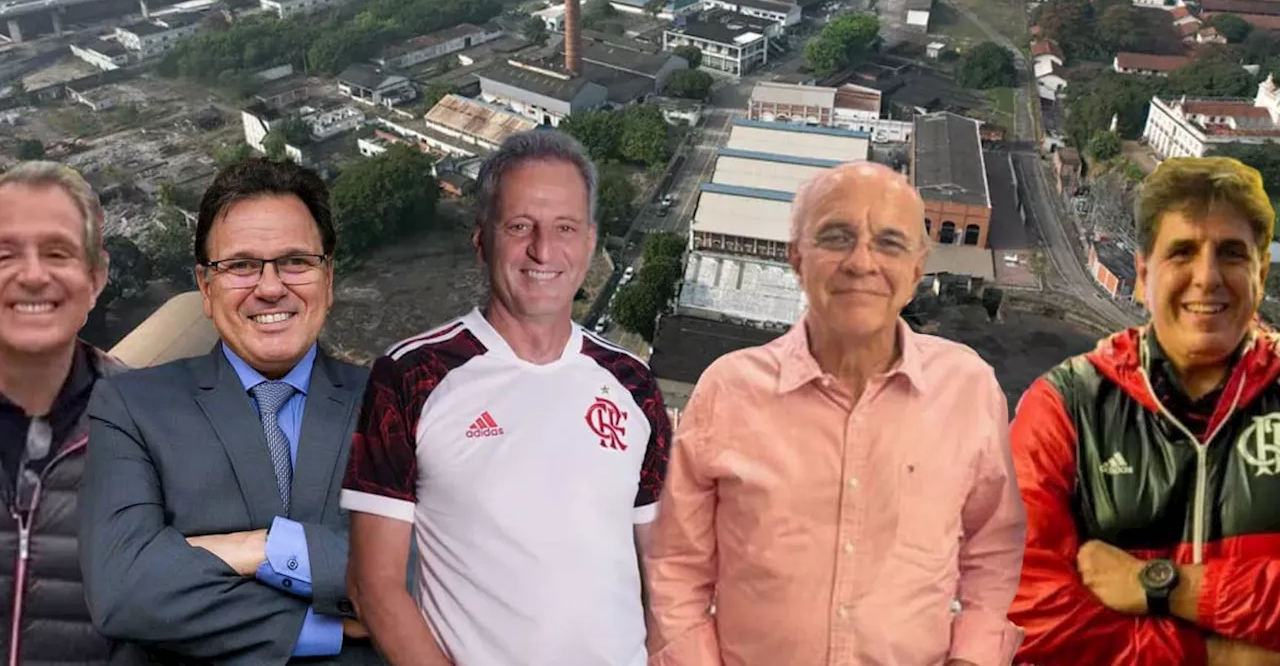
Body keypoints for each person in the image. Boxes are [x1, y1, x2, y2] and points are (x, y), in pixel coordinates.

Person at [644, 162, 1027, 666]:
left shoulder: (968, 389)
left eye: (889, 243)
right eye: (836, 237)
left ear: (917, 270)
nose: (861, 262)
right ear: (796, 258)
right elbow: (676, 566)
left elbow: (994, 549)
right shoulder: (728, 391)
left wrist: (973, 657)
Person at [342, 129, 671, 666]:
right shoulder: (411, 377)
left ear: (590, 241)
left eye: (564, 228)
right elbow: (373, 587)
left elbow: (664, 570)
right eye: (520, 227)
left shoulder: (632, 381)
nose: (543, 250)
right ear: (481, 239)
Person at [79, 158, 380, 665]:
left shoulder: (402, 407)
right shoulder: (130, 406)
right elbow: (123, 587)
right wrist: (323, 624)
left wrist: (259, 549)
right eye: (240, 265)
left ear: (327, 278)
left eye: (295, 261)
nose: (269, 286)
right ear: (205, 286)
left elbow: (442, 572)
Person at [1008, 156, 1280, 666]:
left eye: (1232, 254)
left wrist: (1169, 587)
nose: (1207, 278)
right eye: (1182, 252)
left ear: (1260, 274)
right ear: (1143, 273)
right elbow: (1025, 610)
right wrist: (1215, 655)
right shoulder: (1065, 407)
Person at [0, 161, 122, 666]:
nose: (32, 276)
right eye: (5, 254)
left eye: (58, 253)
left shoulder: (160, 432)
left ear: (96, 278)